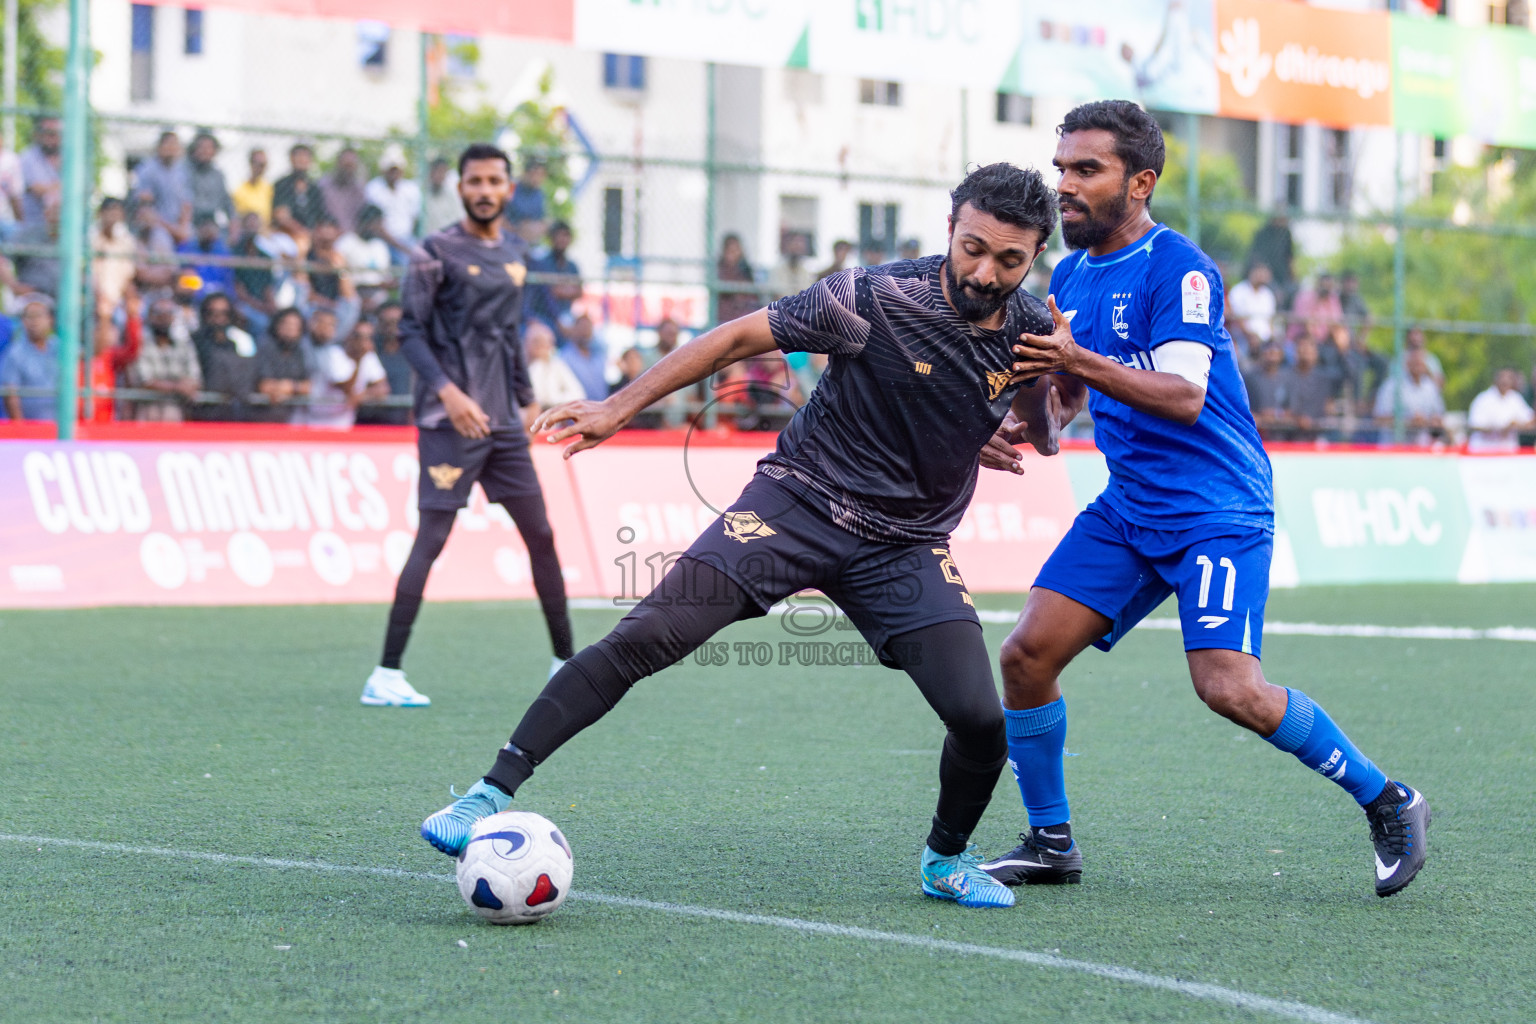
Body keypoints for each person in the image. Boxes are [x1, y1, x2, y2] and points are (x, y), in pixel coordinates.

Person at [418, 160, 1065, 910]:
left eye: (1009, 260)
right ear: (950, 228)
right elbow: (733, 340)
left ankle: (944, 861)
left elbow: (1042, 427)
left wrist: (1036, 402)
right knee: (646, 636)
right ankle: (487, 794)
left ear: (1034, 256)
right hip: (797, 503)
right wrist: (618, 407)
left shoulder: (1035, 329)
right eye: (973, 248)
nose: (985, 272)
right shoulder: (870, 297)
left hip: (905, 545)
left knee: (982, 721)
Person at [978, 101, 1429, 899]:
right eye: (1062, 169)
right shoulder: (1072, 274)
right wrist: (1032, 406)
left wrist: (1075, 356)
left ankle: (1390, 800)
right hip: (1130, 508)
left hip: (1219, 508)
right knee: (1025, 656)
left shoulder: (1179, 268)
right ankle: (1051, 842)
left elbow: (1184, 394)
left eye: (1087, 171)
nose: (1066, 187)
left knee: (1228, 687)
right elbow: (1066, 403)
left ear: (1140, 181)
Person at [362, 143, 574, 708]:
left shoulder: (514, 252)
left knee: (543, 536)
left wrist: (526, 398)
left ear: (508, 189)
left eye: (494, 181)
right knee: (432, 539)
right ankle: (385, 674)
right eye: (474, 180)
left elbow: (509, 334)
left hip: (503, 422)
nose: (484, 190)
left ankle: (565, 664)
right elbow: (409, 332)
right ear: (459, 188)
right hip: (448, 420)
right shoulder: (434, 252)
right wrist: (449, 394)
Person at [127, 297, 202, 421]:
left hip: (177, 413)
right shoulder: (140, 345)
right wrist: (177, 387)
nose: (164, 317)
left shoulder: (184, 345)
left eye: (169, 313)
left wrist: (183, 385)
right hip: (147, 413)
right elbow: (144, 380)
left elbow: (194, 378)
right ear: (149, 316)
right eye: (158, 313)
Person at [309, 317, 389, 429]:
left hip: (344, 423)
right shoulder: (332, 354)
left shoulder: (368, 356)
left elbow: (383, 388)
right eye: (358, 336)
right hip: (317, 422)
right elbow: (346, 388)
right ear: (349, 336)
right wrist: (359, 361)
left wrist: (362, 395)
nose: (362, 342)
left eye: (368, 338)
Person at [190, 292, 258, 421]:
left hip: (230, 407)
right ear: (205, 315)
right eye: (213, 313)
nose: (218, 318)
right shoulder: (194, 341)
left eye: (223, 313)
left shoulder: (233, 343)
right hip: (201, 408)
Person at [0, 298, 59, 421]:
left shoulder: (61, 348)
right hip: (29, 429)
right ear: (23, 322)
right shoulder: (14, 353)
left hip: (60, 425)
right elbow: (10, 394)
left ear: (50, 320)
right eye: (29, 317)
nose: (34, 322)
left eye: (39, 316)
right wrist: (21, 429)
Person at [253, 307, 314, 424]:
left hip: (292, 419)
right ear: (277, 325)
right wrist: (281, 389)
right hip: (262, 417)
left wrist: (291, 387)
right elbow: (264, 386)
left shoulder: (301, 351)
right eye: (286, 324)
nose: (290, 329)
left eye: (295, 325)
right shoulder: (265, 347)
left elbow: (309, 386)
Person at [355, 300, 410, 426]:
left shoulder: (413, 354)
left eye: (396, 322)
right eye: (387, 323)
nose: (392, 327)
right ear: (379, 323)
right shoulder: (367, 351)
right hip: (367, 422)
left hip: (402, 423)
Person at [1373, 350, 1444, 447]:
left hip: (1422, 450)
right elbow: (1379, 419)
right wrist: (1409, 422)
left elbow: (1439, 416)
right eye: (1415, 361)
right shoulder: (1392, 386)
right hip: (1393, 449)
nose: (1418, 365)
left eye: (1421, 362)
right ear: (1407, 363)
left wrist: (1429, 421)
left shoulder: (1430, 387)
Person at [133, 130, 192, 245]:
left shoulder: (182, 171)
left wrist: (182, 228)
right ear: (159, 147)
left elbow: (187, 204)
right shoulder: (147, 170)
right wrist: (174, 230)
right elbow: (147, 212)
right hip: (157, 227)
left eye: (174, 145)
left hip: (178, 226)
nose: (171, 148)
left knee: (194, 241)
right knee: (161, 241)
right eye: (168, 144)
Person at [364, 145, 422, 259]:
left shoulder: (411, 189)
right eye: (391, 169)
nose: (394, 173)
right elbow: (376, 225)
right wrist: (403, 248)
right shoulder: (373, 188)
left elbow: (415, 219)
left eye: (396, 169)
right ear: (384, 170)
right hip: (382, 240)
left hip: (407, 238)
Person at [525, 221, 582, 336]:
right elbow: (548, 294)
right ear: (551, 238)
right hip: (544, 315)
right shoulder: (541, 263)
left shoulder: (572, 266)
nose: (562, 240)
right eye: (558, 235)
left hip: (566, 314)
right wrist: (566, 290)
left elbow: (578, 291)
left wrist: (560, 290)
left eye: (566, 235)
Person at [1466, 368, 1534, 453]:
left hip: (1508, 452)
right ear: (1496, 380)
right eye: (1503, 378)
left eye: (1509, 378)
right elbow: (1474, 424)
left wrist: (1515, 425)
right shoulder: (1483, 399)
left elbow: (1529, 420)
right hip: (1484, 451)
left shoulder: (1515, 398)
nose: (1505, 381)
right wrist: (1499, 428)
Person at [524, 318, 584, 410]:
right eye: (537, 342)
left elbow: (578, 394)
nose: (542, 347)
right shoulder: (522, 367)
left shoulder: (557, 365)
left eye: (546, 343)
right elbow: (534, 399)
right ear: (527, 344)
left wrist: (551, 401)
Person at [1285, 337, 1337, 442]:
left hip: (1317, 434)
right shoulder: (1285, 377)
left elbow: (1328, 407)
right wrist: (1297, 419)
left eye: (1309, 350)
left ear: (1316, 354)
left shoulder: (1324, 379)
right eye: (1302, 349)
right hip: (1288, 435)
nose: (1306, 353)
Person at [92, 197, 139, 312]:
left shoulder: (126, 240)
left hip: (118, 299)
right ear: (101, 213)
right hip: (92, 296)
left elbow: (128, 275)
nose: (114, 217)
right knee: (103, 308)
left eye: (117, 213)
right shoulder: (91, 237)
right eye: (110, 211)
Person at [176, 212, 235, 302]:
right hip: (193, 296)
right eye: (205, 227)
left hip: (219, 296)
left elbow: (228, 282)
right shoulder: (187, 248)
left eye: (212, 227)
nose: (209, 231)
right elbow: (181, 274)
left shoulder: (223, 252)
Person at [1225, 262, 1276, 365]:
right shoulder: (1239, 291)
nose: (1261, 276)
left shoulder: (1268, 294)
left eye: (1264, 273)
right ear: (1251, 273)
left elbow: (1271, 321)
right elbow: (1237, 317)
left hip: (1264, 340)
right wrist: (1250, 335)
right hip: (1242, 338)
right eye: (1259, 272)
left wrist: (1271, 338)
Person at [273, 143, 326, 237]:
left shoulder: (314, 188)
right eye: (298, 155)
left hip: (312, 236)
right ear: (291, 159)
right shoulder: (282, 185)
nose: (302, 159)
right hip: (286, 233)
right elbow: (281, 216)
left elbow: (319, 217)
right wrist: (303, 233)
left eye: (305, 156)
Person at [18, 117, 62, 231]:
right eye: (48, 134)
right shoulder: (28, 157)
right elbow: (38, 189)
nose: (52, 138)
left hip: (61, 229)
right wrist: (61, 186)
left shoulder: (68, 158)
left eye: (56, 134)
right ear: (39, 135)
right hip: (33, 226)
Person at [1242, 342, 1292, 440]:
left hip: (1283, 434)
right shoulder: (1250, 378)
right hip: (1257, 432)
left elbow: (1292, 409)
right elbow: (1244, 404)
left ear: (1281, 355)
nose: (1272, 355)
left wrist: (1276, 415)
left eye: (1275, 352)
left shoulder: (1288, 379)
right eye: (1268, 351)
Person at [184, 131, 233, 227]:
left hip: (213, 223)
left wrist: (234, 222)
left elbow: (227, 203)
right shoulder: (184, 172)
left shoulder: (218, 175)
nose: (204, 151)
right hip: (191, 223)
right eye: (201, 147)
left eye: (208, 148)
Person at [557, 313, 608, 401]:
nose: (585, 332)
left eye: (588, 328)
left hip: (602, 408)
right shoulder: (563, 358)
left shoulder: (599, 356)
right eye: (582, 328)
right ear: (573, 329)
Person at [320, 147, 368, 235]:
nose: (348, 170)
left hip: (354, 235)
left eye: (351, 166)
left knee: (378, 246)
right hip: (331, 234)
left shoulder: (358, 189)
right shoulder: (324, 185)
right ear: (338, 164)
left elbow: (363, 218)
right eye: (346, 165)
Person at [715, 233, 761, 324]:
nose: (734, 254)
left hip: (744, 313)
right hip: (725, 317)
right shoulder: (721, 270)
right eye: (731, 251)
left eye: (737, 250)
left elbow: (753, 297)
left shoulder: (745, 270)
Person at [422, 157, 463, 235]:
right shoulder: (423, 195)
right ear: (431, 172)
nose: (440, 175)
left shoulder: (451, 195)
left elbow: (458, 219)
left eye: (443, 172)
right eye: (437, 171)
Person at [232, 147, 273, 226]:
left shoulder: (268, 188)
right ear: (251, 164)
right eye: (258, 164)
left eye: (263, 165)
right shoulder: (240, 190)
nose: (260, 168)